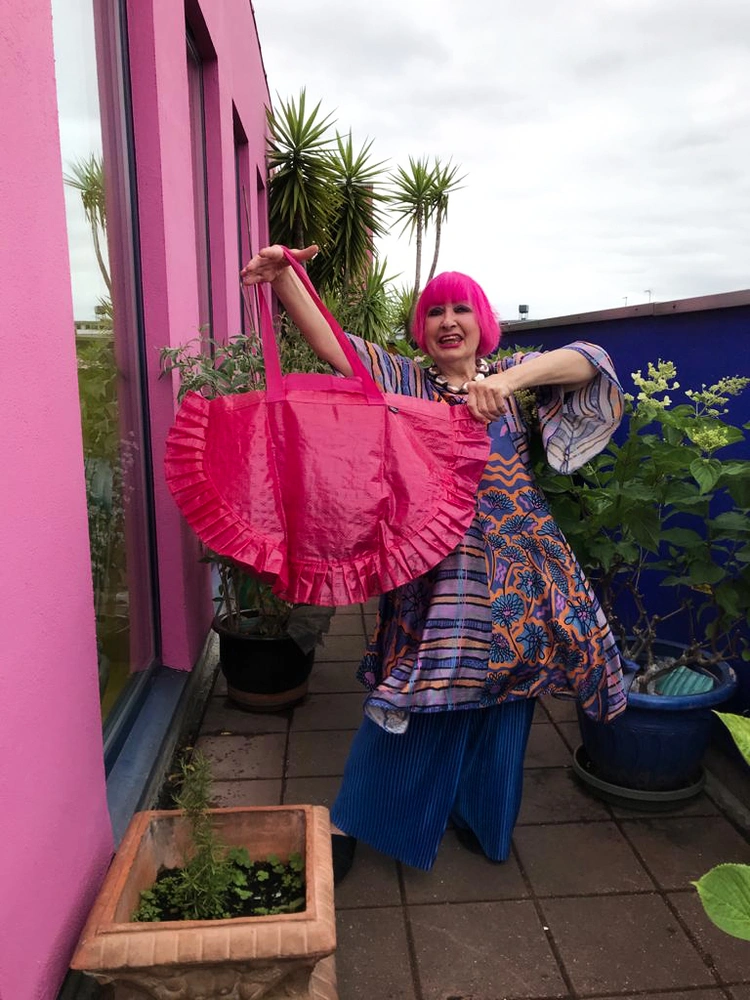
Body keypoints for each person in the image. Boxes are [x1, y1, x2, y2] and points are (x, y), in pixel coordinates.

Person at [241, 244, 626, 881]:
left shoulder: (514, 375)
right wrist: (284, 279)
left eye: (461, 309)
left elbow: (591, 359)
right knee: (419, 687)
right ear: (422, 329)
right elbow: (334, 345)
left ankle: (481, 814)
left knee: (509, 692)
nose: (448, 321)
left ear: (482, 321)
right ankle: (351, 820)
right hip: (439, 570)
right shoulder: (406, 380)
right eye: (435, 312)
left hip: (523, 563)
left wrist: (505, 382)